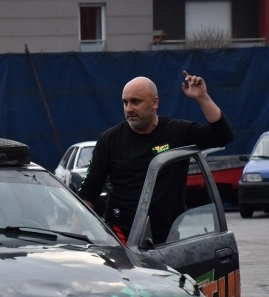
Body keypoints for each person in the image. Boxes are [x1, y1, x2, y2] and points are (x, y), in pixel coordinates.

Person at [78, 72, 234, 244]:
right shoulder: (109, 139)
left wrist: (202, 97)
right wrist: (76, 242)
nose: (129, 108)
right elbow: (88, 193)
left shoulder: (177, 132)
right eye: (125, 102)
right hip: (121, 235)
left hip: (168, 238)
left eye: (136, 101)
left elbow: (223, 136)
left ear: (155, 102)